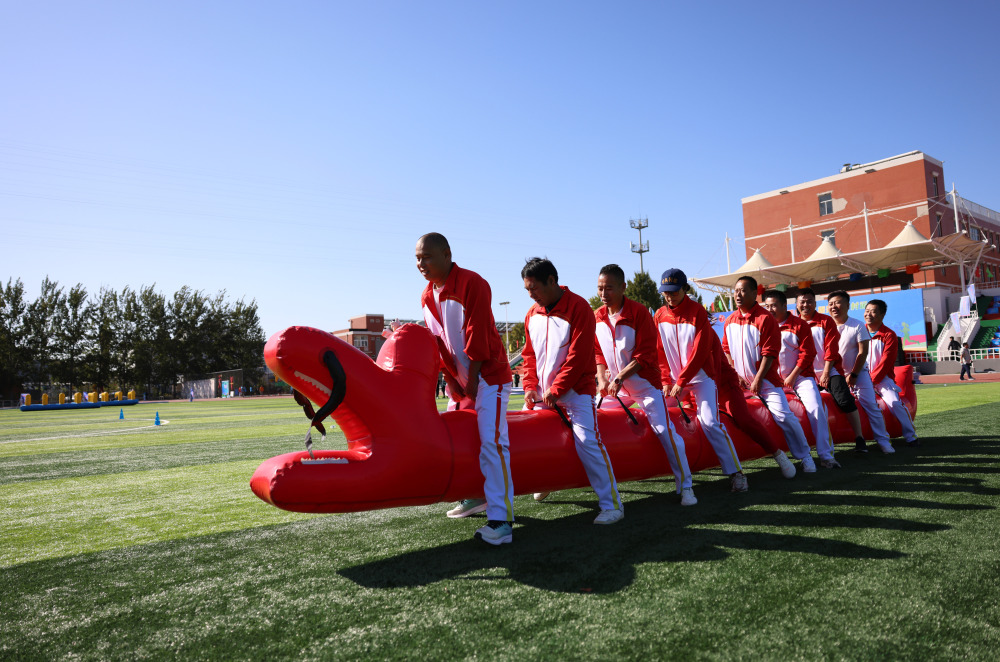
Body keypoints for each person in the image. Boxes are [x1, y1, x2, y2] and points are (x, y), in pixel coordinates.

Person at [417, 232, 515, 545]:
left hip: (489, 378)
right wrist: (451, 379)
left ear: (447, 254)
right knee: (457, 442)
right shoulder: (426, 295)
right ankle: (474, 495)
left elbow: (478, 334)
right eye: (418, 258)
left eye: (427, 257)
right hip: (460, 381)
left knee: (492, 442)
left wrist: (471, 377)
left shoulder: (473, 283)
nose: (421, 264)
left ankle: (502, 522)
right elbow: (438, 342)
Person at [520, 257, 624, 524]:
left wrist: (557, 388)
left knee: (588, 442)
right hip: (543, 392)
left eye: (534, 288)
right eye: (527, 290)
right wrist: (530, 386)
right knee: (523, 437)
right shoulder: (532, 313)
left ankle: (612, 505)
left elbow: (578, 357)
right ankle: (547, 478)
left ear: (552, 281)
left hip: (576, 391)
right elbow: (529, 356)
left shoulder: (579, 308)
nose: (531, 295)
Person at [593, 264, 697, 506]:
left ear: (623, 287)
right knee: (595, 427)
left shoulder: (639, 313)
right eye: (600, 289)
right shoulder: (597, 315)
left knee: (664, 430)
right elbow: (597, 353)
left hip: (644, 385)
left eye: (609, 288)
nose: (603, 294)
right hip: (614, 387)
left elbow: (646, 355)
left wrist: (619, 377)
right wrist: (602, 379)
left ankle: (687, 486)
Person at [654, 268, 750, 492]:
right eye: (666, 292)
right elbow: (658, 351)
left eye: (674, 291)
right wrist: (666, 380)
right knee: (655, 412)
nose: (669, 296)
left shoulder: (697, 312)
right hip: (675, 381)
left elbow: (700, 352)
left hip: (701, 377)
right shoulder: (659, 315)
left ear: (685, 289)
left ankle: (737, 473)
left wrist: (682, 381)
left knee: (708, 421)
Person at [722, 277, 815, 472]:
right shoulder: (730, 320)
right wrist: (734, 373)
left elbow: (770, 354)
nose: (738, 295)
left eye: (743, 291)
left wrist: (757, 379)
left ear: (754, 293)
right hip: (739, 382)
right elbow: (726, 349)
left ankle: (805, 456)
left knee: (784, 416)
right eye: (736, 290)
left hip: (766, 382)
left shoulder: (765, 319)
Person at [763, 289, 840, 468]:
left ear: (784, 306)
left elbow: (808, 354)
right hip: (772, 380)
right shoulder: (763, 326)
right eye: (767, 306)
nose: (770, 309)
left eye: (774, 305)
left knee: (815, 407)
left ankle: (826, 455)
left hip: (800, 378)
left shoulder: (799, 324)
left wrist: (792, 376)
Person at [795, 288, 868, 454]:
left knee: (843, 399)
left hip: (830, 370)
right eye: (802, 302)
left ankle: (859, 437)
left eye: (809, 301)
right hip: (804, 375)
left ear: (815, 304)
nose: (805, 305)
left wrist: (827, 373)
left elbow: (831, 350)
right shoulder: (793, 323)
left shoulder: (825, 321)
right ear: (797, 304)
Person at [826, 290, 894, 454]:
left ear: (848, 305)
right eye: (831, 304)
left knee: (870, 404)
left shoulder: (857, 326)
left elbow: (862, 353)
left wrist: (854, 374)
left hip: (857, 373)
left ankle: (883, 441)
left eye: (838, 302)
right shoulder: (825, 326)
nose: (834, 306)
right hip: (833, 374)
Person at [864, 299, 919, 447]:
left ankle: (911, 436)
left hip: (882, 380)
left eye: (873, 311)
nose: (868, 314)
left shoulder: (889, 335)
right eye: (867, 311)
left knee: (895, 403)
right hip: (860, 379)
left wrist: (872, 380)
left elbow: (886, 362)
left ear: (882, 315)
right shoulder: (859, 332)